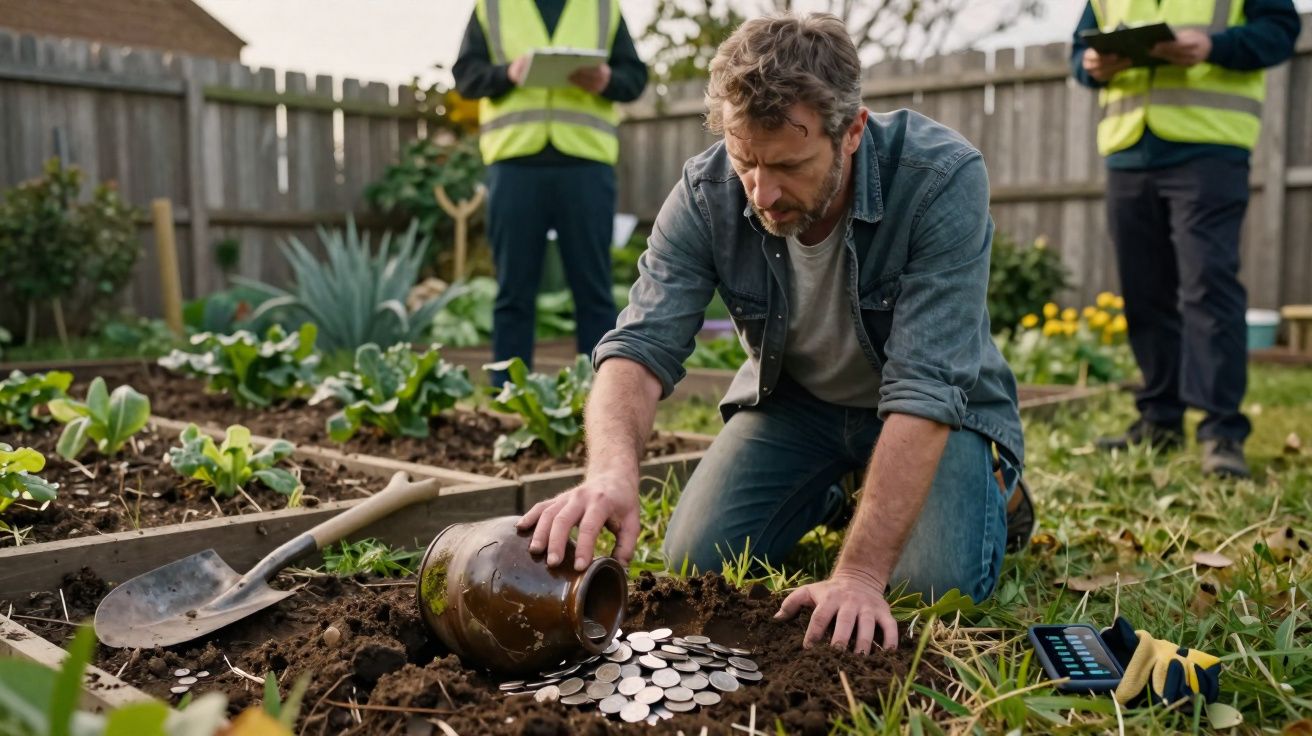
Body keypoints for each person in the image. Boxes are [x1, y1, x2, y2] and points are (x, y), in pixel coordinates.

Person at [517, 13, 1029, 655]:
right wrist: (611, 474)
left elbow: (926, 388)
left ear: (851, 132)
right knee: (695, 562)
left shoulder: (938, 179)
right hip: (798, 405)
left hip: (935, 418)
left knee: (919, 590)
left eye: (789, 164)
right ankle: (846, 488)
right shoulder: (706, 195)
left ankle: (995, 493)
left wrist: (860, 575)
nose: (762, 191)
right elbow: (639, 348)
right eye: (745, 160)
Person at [1072, 0, 1301, 478]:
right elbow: (1080, 52)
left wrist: (1214, 46)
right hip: (1129, 153)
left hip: (1209, 147)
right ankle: (1160, 418)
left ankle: (1221, 431)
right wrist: (1093, 66)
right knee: (1144, 292)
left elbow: (1280, 30)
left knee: (1208, 286)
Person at [453, 0, 648, 380]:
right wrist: (508, 73)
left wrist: (607, 80)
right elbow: (466, 76)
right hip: (514, 164)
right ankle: (508, 391)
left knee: (593, 289)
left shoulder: (602, 8)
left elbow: (635, 77)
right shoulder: (491, 8)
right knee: (513, 290)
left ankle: (599, 393)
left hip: (586, 165)